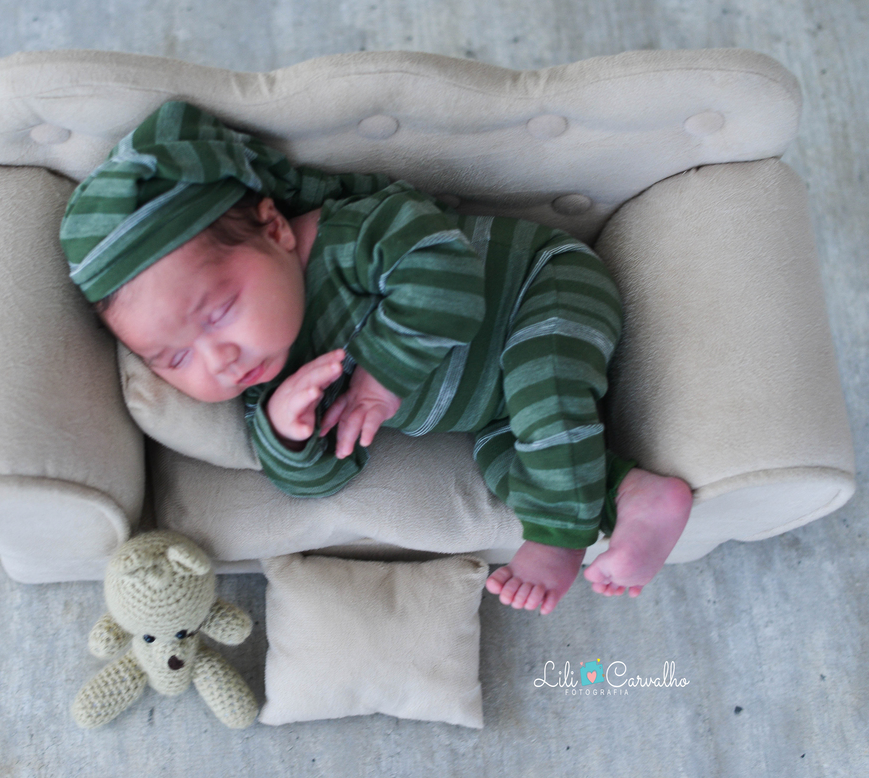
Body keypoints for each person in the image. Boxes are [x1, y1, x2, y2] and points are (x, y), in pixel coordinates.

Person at [60, 101, 693, 614]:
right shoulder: (272, 376)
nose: (217, 360)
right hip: (491, 410)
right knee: (506, 461)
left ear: (276, 229)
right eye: (173, 359)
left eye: (219, 312)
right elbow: (323, 477)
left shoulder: (349, 235)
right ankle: (632, 495)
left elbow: (441, 268)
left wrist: (381, 377)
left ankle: (560, 538)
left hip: (543, 290)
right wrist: (284, 430)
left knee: (543, 386)